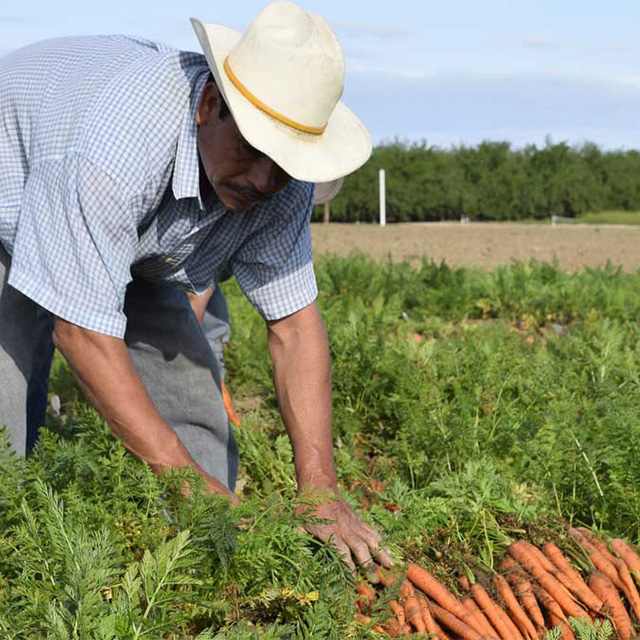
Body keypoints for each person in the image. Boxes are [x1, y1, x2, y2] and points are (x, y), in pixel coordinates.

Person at [0, 1, 392, 571]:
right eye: (254, 151)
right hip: (11, 198)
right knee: (8, 417)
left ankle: (204, 574)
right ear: (210, 105)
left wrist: (321, 492)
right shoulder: (115, 147)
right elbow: (80, 333)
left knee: (196, 416)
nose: (263, 179)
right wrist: (191, 489)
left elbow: (295, 328)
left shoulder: (277, 183)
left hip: (138, 241)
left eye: (282, 164)